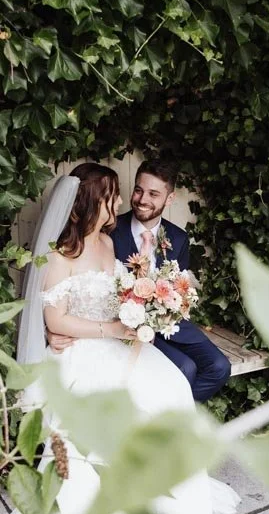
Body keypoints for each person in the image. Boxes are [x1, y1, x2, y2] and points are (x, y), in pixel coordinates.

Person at [0, 164, 239, 514]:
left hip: (119, 339)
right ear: (90, 203)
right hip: (82, 351)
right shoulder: (60, 253)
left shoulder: (110, 244)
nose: (119, 202)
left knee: (172, 387)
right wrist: (94, 330)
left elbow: (114, 300)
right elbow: (55, 317)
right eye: (111, 195)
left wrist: (132, 319)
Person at [47, 160, 231, 403]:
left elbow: (179, 287)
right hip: (120, 331)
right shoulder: (111, 231)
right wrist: (52, 330)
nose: (141, 199)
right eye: (138, 190)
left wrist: (170, 307)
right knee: (184, 369)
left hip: (162, 323)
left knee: (219, 366)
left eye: (153, 193)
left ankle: (176, 416)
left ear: (169, 198)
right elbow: (63, 298)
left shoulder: (177, 237)